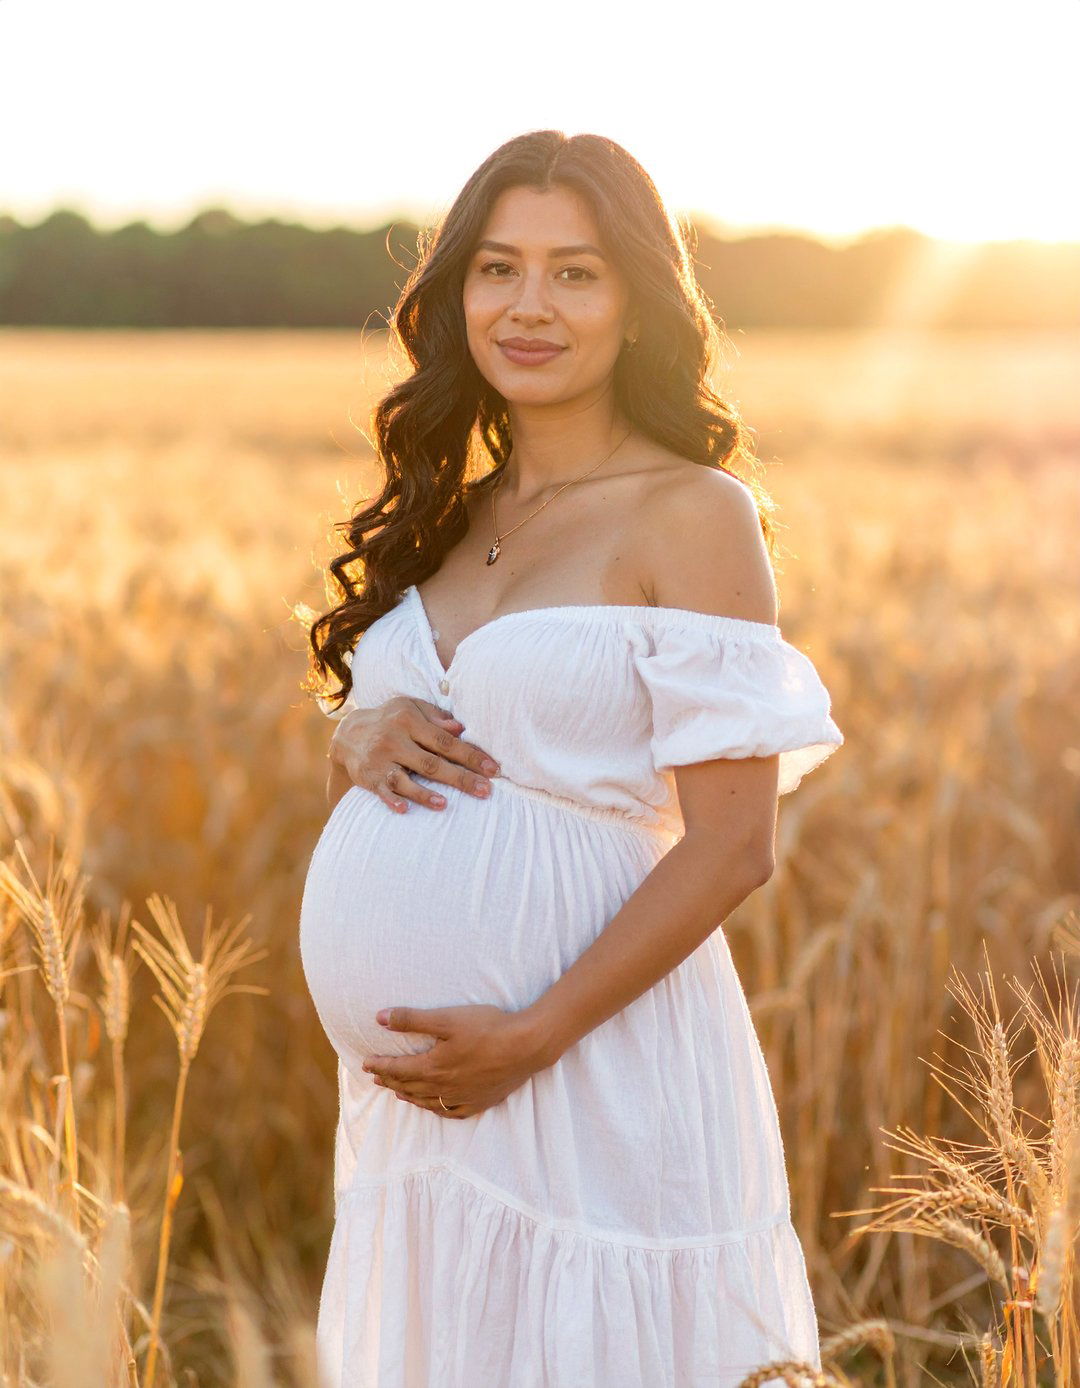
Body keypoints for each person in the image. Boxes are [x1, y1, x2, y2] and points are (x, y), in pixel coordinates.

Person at [298, 129, 844, 1388]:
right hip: (422, 1115)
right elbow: (419, 776)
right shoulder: (446, 515)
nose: (529, 305)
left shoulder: (691, 512)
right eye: (498, 268)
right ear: (456, 295)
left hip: (588, 1063)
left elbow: (733, 843)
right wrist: (354, 734)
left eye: (576, 272)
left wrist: (534, 1034)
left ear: (639, 301)